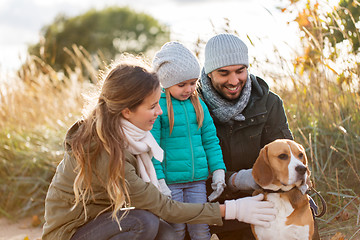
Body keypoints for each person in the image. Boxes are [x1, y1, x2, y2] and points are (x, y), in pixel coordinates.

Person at [41, 55, 277, 240]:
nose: (160, 112)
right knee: (143, 222)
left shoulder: (129, 137)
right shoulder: (105, 149)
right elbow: (164, 206)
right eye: (153, 106)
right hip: (71, 234)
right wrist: (234, 209)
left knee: (164, 233)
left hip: (102, 223)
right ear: (127, 111)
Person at [198, 33, 294, 239]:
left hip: (263, 201)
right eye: (224, 73)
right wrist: (235, 180)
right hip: (212, 207)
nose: (234, 81)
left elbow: (286, 159)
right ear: (209, 73)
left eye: (240, 71)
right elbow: (187, 170)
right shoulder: (192, 108)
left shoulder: (269, 103)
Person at [151, 41, 226, 240]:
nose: (188, 89)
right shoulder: (157, 108)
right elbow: (152, 148)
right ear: (166, 82)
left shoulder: (199, 105)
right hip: (171, 184)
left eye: (193, 83)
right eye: (181, 84)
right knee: (175, 230)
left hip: (197, 182)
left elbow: (210, 140)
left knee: (201, 228)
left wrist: (218, 171)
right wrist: (159, 181)